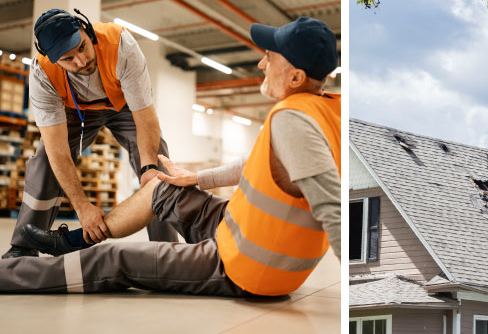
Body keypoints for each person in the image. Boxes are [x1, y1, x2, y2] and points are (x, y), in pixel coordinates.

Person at [0, 16, 341, 298]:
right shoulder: (325, 109)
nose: (261, 62)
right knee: (161, 185)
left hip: (250, 265)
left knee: (112, 258)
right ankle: (69, 240)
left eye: (271, 57)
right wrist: (195, 178)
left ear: (296, 77)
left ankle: (10, 274)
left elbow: (333, 209)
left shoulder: (293, 121)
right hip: (240, 227)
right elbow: (257, 164)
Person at [1, 8, 178, 259]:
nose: (81, 62)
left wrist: (148, 166)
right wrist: (82, 206)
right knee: (43, 161)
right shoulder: (43, 75)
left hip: (124, 104)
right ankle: (23, 246)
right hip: (74, 109)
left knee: (159, 165)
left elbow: (145, 119)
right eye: (68, 59)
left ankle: (166, 248)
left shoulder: (120, 45)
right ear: (53, 60)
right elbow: (57, 150)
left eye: (82, 47)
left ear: (86, 30)